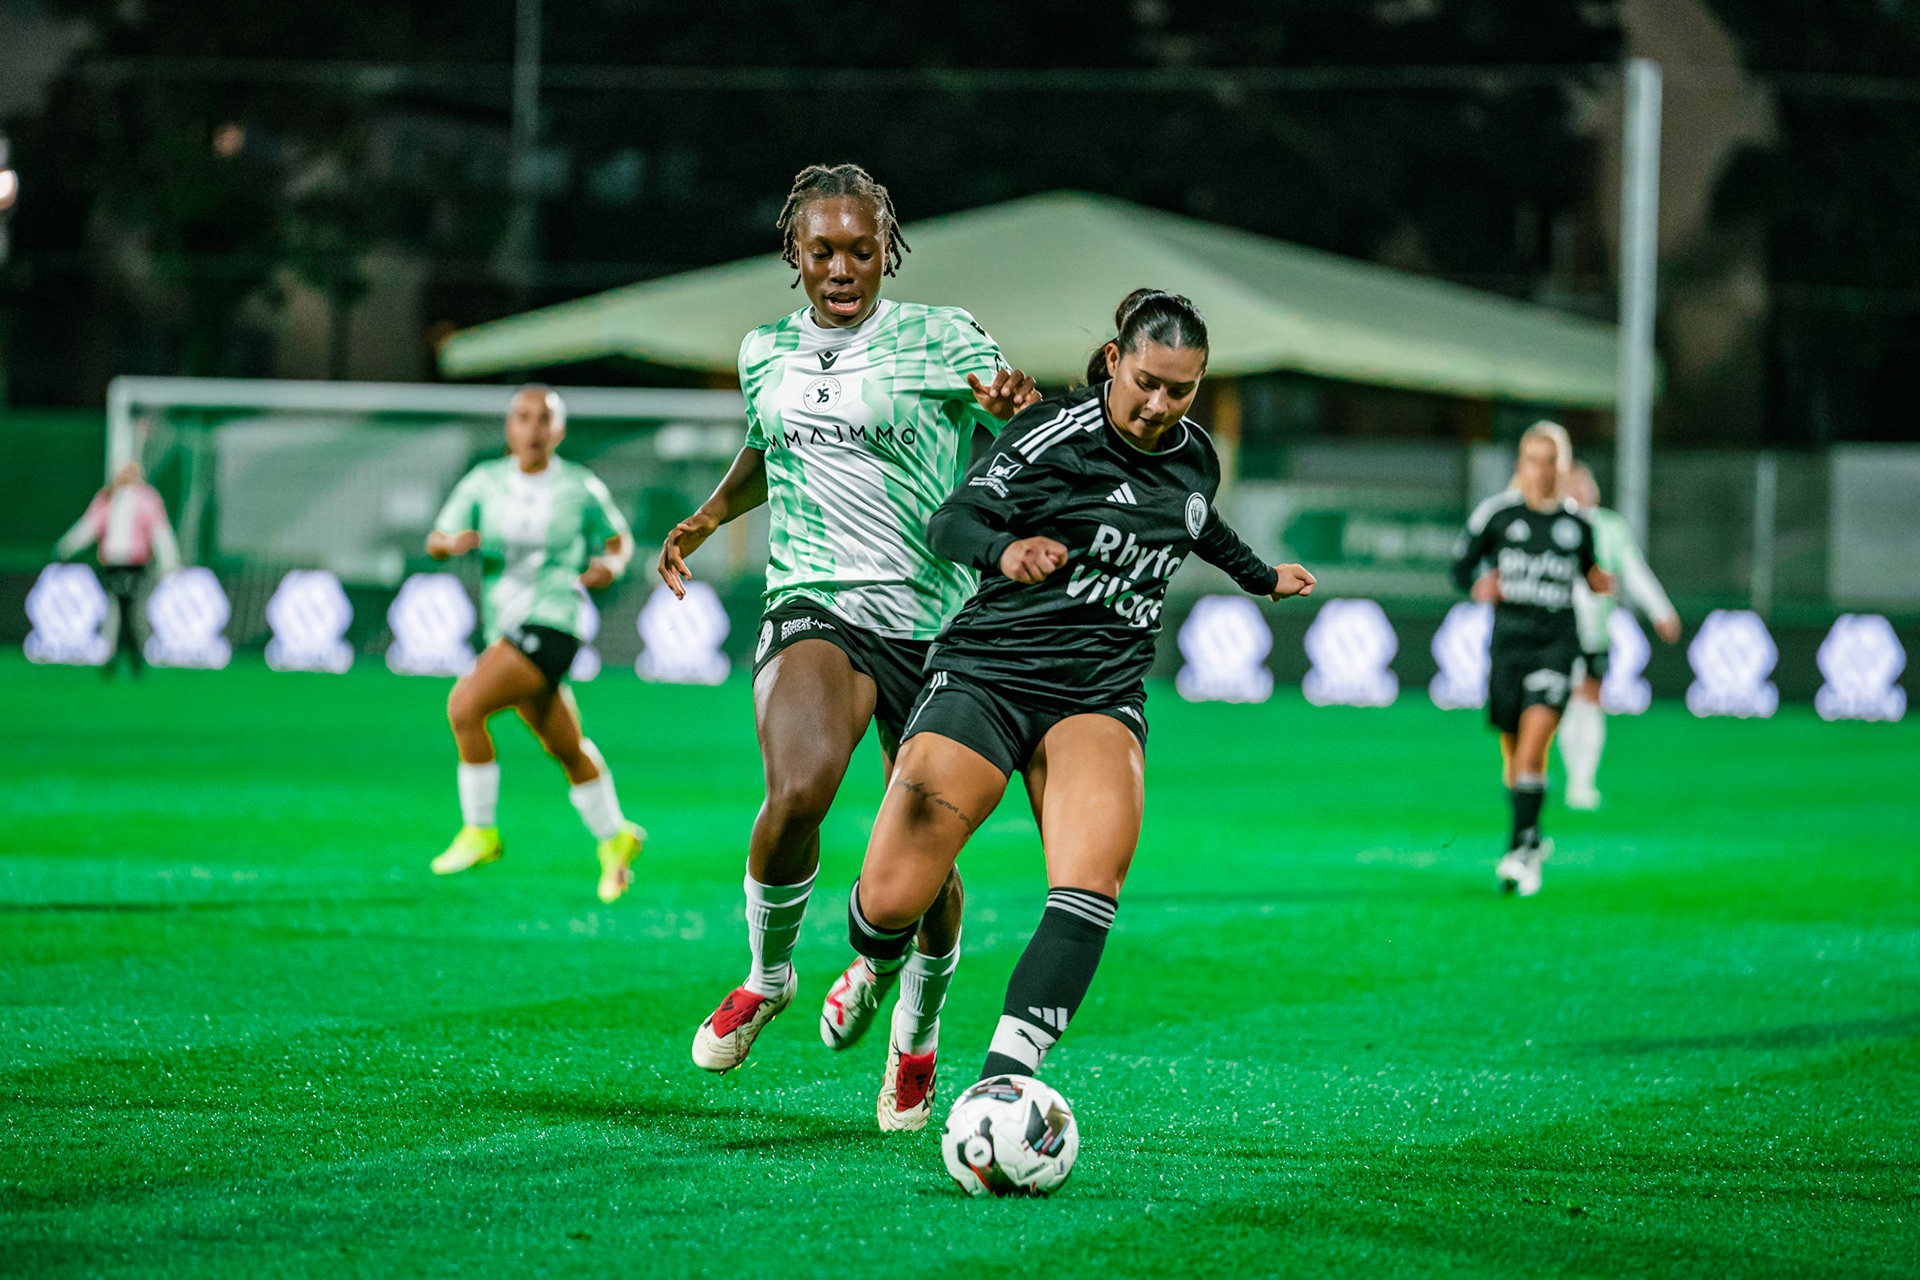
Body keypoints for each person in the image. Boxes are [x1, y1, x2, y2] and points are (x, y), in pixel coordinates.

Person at [829, 289, 1315, 1130]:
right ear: (1115, 363)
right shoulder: (1055, 433)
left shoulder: (1195, 455)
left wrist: (1259, 575)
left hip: (1098, 693)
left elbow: (1194, 523)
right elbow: (955, 521)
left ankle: (1001, 1086)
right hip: (991, 673)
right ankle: (875, 965)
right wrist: (1006, 548)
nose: (1161, 406)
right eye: (1148, 383)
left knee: (1090, 883)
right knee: (890, 898)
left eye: (1183, 390)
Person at [655, 163, 1040, 1105]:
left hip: (935, 624)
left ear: (885, 250)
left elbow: (1010, 407)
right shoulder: (763, 350)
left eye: (859, 250)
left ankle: (915, 1034)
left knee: (919, 862)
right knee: (799, 789)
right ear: (794, 252)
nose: (840, 267)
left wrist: (1011, 403)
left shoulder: (937, 336)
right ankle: (768, 977)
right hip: (815, 601)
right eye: (821, 250)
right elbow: (765, 449)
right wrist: (705, 519)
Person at [427, 385, 646, 904]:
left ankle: (480, 831)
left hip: (555, 622)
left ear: (559, 430)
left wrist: (610, 567)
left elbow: (619, 540)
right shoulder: (484, 482)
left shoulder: (579, 486)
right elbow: (437, 537)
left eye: (544, 419)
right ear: (509, 427)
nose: (533, 429)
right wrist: (450, 544)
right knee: (566, 746)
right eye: (523, 418)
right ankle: (615, 837)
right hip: (505, 629)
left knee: (464, 706)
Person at [1450, 423, 1613, 897]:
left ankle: (1519, 853)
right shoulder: (1497, 515)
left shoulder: (1577, 525)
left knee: (1533, 748)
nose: (1539, 470)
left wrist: (1599, 581)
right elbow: (1461, 567)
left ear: (1564, 467)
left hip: (1556, 646)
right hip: (1508, 649)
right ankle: (1532, 835)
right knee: (1514, 755)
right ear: (1520, 464)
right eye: (1530, 459)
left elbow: (1589, 572)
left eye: (1549, 460)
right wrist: (1479, 585)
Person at [1557, 462, 1681, 809]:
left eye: (1586, 482)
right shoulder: (1554, 523)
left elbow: (1634, 571)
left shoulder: (1610, 527)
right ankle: (1575, 779)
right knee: (1568, 703)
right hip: (1558, 633)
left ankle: (1584, 781)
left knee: (1591, 702)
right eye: (1573, 483)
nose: (1581, 489)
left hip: (1596, 633)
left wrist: (1661, 610)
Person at [55, 459, 180, 679]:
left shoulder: (146, 499)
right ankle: (128, 657)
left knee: (128, 609)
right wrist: (66, 547)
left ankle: (123, 657)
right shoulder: (107, 498)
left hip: (135, 563)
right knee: (120, 609)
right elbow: (89, 527)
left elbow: (160, 533)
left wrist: (169, 561)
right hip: (112, 563)